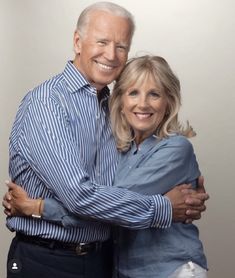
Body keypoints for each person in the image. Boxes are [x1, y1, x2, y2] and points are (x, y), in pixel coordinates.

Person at [3, 2, 208, 278]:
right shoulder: (47, 103)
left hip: (103, 260)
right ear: (78, 42)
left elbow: (112, 195)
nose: (111, 54)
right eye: (102, 41)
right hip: (50, 260)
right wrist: (165, 207)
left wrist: (38, 206)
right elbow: (81, 197)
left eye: (121, 46)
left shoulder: (110, 109)